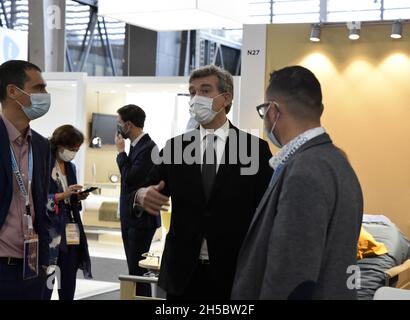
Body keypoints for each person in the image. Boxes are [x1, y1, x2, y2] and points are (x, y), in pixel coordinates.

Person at [132, 65, 273, 300]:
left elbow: (268, 212)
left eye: (205, 91)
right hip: (182, 274)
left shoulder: (254, 150)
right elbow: (143, 189)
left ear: (226, 98)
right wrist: (141, 196)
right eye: (192, 91)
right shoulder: (176, 147)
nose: (196, 98)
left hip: (233, 273)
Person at [231, 66, 363, 300]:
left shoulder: (304, 170)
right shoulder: (338, 163)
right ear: (318, 109)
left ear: (273, 111)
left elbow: (290, 275)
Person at [0, 60, 51, 299]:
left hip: (32, 268)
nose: (45, 95)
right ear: (12, 91)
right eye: (39, 88)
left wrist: (44, 262)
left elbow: (39, 203)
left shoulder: (41, 146)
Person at [43, 125, 92, 300]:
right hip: (50, 232)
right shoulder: (44, 163)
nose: (74, 153)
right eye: (72, 149)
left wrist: (77, 197)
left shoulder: (70, 167)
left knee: (68, 282)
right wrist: (62, 195)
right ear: (60, 144)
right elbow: (38, 199)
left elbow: (70, 200)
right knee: (46, 283)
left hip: (71, 230)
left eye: (77, 150)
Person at [115, 104, 160, 296]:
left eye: (119, 123)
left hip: (141, 219)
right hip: (132, 217)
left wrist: (120, 153)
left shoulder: (148, 148)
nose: (117, 127)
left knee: (137, 271)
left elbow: (130, 179)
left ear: (129, 125)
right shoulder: (137, 146)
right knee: (134, 270)